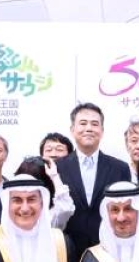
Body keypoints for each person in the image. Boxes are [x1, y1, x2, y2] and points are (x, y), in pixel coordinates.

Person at [55, 102, 132, 253]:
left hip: (108, 250)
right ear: (72, 129)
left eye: (94, 124)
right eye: (83, 123)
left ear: (102, 131)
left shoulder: (120, 168)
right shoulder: (57, 168)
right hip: (66, 249)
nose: (89, 128)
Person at [15, 156, 75, 229]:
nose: (26, 188)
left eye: (32, 184)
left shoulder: (50, 215)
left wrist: (54, 176)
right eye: (22, 182)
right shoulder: (12, 206)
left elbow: (66, 208)